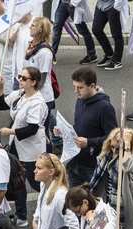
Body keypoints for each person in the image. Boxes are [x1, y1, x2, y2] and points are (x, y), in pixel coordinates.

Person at [0, 67, 48, 227]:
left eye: (24, 78)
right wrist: (0, 87)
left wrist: (10, 131)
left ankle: (56, 203)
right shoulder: (19, 95)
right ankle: (21, 216)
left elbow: (32, 128)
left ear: (33, 82)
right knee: (17, 180)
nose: (20, 79)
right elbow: (0, 105)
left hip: (31, 149)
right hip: (17, 145)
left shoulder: (37, 102)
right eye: (20, 76)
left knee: (35, 182)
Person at [54, 66, 117, 187]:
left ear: (92, 86)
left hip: (92, 165)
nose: (76, 91)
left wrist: (89, 142)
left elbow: (113, 138)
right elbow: (80, 127)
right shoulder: (80, 100)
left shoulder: (105, 108)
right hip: (74, 161)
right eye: (75, 87)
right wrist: (63, 131)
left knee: (96, 200)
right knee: (72, 200)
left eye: (80, 87)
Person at [90, 127, 133, 229]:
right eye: (112, 146)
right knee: (106, 227)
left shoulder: (132, 153)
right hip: (107, 196)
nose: (114, 151)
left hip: (122, 200)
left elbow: (128, 166)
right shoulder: (108, 153)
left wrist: (127, 144)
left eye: (118, 148)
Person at [33, 153, 79, 229]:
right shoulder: (43, 186)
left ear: (51, 172)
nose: (34, 171)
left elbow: (74, 227)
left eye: (39, 168)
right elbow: (39, 209)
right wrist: (36, 222)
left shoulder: (60, 196)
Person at [23, 17, 58, 151]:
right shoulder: (33, 46)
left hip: (42, 97)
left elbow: (41, 79)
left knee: (42, 133)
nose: (30, 27)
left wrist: (30, 93)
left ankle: (49, 158)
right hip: (33, 93)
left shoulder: (44, 52)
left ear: (40, 30)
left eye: (33, 25)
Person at [51, 0, 98, 65]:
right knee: (56, 28)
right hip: (62, 3)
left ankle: (92, 54)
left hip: (73, 4)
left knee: (82, 30)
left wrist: (73, 4)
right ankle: (52, 53)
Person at [92, 0, 127, 70]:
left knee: (116, 34)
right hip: (100, 5)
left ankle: (117, 61)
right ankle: (109, 55)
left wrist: (116, 8)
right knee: (96, 29)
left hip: (113, 6)